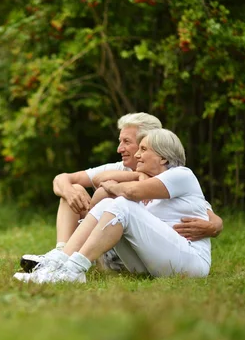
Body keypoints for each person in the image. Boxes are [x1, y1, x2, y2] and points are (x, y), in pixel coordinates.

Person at [20, 113, 223, 272]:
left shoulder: (175, 176)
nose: (121, 148)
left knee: (113, 201)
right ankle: (61, 254)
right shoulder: (122, 168)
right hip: (122, 243)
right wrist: (70, 192)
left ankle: (69, 260)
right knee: (76, 189)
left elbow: (204, 212)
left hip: (147, 250)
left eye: (128, 142)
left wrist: (215, 226)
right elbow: (63, 178)